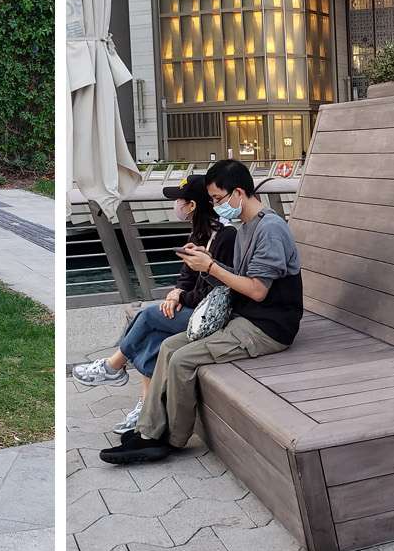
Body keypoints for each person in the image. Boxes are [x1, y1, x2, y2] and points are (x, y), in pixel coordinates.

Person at [99, 160, 302, 465]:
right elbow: (240, 277)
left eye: (219, 199)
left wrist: (210, 267)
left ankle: (172, 439)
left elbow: (258, 290)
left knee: (182, 359)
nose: (218, 206)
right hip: (243, 317)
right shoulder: (248, 225)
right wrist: (209, 262)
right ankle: (148, 431)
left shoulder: (270, 229)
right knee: (168, 347)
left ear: (238, 193)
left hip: (268, 328)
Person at [70, 175, 237, 435]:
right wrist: (176, 292)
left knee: (148, 316)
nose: (176, 205)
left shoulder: (225, 236)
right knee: (154, 335)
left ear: (192, 205)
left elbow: (215, 288)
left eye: (179, 200)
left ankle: (114, 366)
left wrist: (180, 298)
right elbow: (187, 275)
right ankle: (144, 406)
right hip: (193, 306)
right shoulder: (201, 231)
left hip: (210, 316)